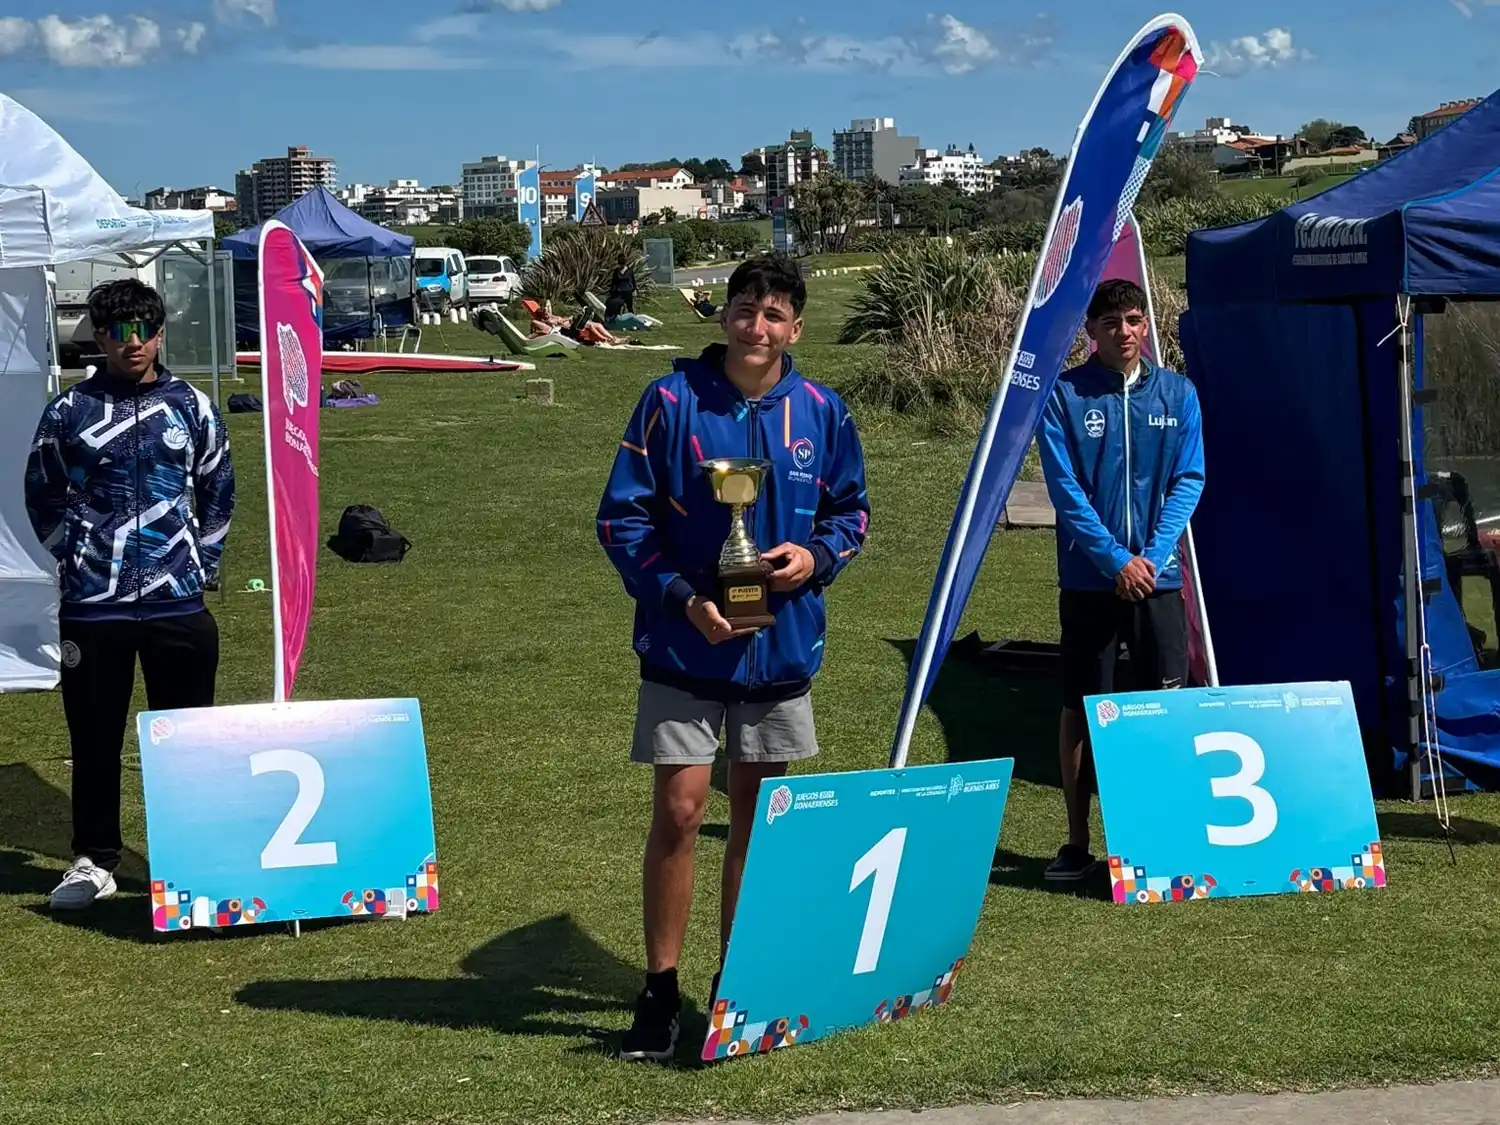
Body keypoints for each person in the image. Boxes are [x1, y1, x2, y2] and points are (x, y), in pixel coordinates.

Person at [597, 257, 870, 1062]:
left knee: (757, 820)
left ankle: (737, 984)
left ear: (797, 327)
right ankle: (660, 989)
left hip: (779, 645)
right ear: (722, 316)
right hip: (686, 642)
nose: (759, 327)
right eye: (746, 309)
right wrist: (683, 596)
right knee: (680, 814)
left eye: (776, 314)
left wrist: (814, 559)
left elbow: (852, 512)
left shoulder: (822, 411)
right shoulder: (670, 401)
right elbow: (623, 522)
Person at [24, 279, 235, 910]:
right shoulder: (71, 410)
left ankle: (188, 856)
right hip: (95, 609)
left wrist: (202, 563)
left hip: (179, 605)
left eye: (144, 329)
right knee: (94, 740)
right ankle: (95, 860)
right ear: (98, 336)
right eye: (118, 332)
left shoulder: (192, 405)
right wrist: (79, 560)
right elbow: (41, 493)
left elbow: (217, 486)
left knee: (187, 739)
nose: (133, 343)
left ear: (160, 331)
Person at [1035, 278, 1204, 884]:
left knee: (1164, 706)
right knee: (1082, 708)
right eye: (1111, 324)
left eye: (1134, 320)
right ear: (1092, 332)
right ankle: (1078, 844)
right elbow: (1065, 491)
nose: (1126, 332)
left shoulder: (1178, 393)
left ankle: (1164, 838)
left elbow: (1189, 479)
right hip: (1089, 580)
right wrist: (1115, 561)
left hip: (1158, 579)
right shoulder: (1065, 397)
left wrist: (1150, 560)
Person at [606, 255, 637, 320]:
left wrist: (634, 290)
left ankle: (634, 319)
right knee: (617, 307)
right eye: (620, 264)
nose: (621, 266)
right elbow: (613, 282)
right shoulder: (616, 271)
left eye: (622, 264)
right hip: (618, 292)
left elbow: (633, 281)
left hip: (628, 291)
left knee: (629, 307)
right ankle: (617, 321)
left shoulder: (629, 271)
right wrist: (611, 291)